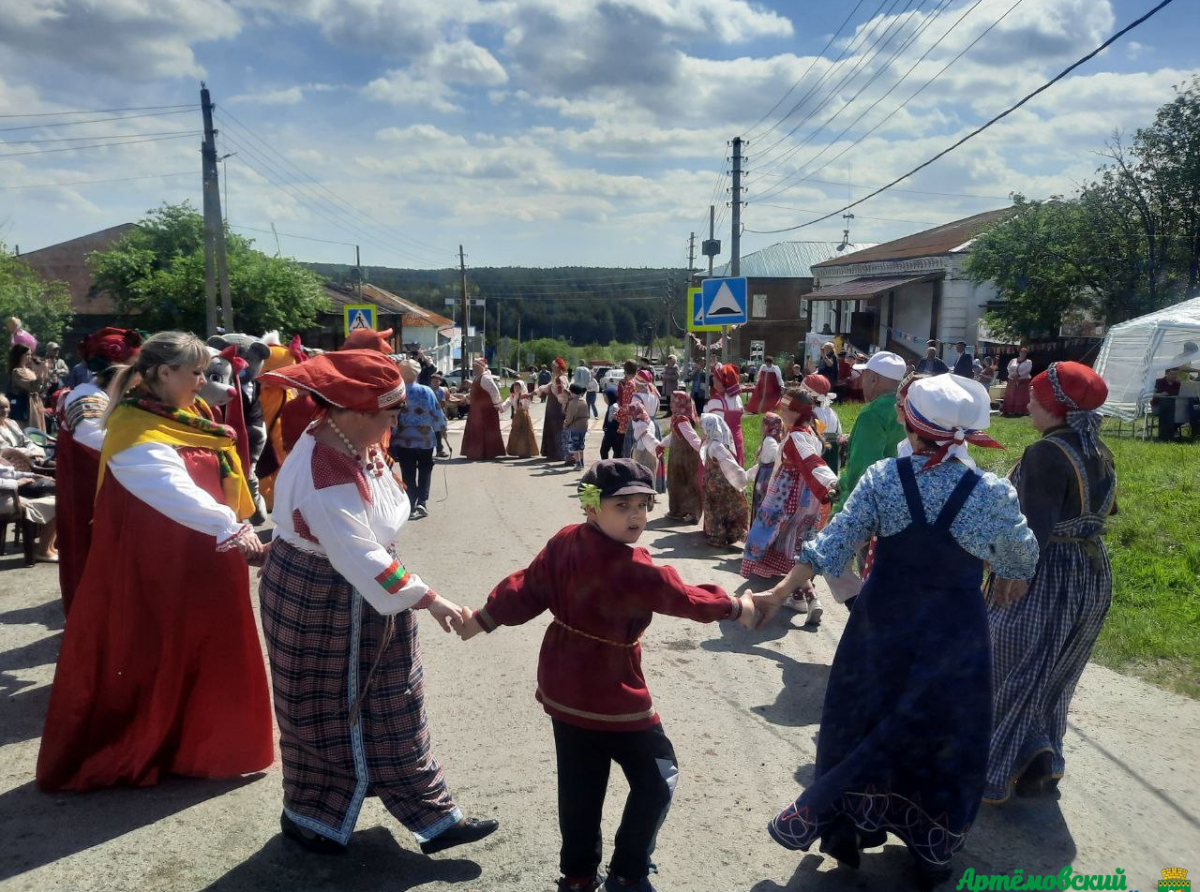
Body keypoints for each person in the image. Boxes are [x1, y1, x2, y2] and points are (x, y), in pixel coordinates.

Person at [751, 374, 1038, 889]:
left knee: (865, 716)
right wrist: (1009, 576)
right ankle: (932, 848)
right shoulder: (992, 492)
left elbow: (833, 543)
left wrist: (777, 594)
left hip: (883, 626)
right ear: (969, 432)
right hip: (955, 634)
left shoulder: (885, 478)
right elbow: (1021, 556)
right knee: (944, 732)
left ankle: (846, 821)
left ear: (910, 421)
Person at [456, 458, 756, 892]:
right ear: (591, 506)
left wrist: (483, 618)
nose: (636, 516)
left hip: (563, 684)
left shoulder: (564, 541)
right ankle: (628, 873)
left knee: (580, 785)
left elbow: (526, 588)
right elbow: (683, 597)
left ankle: (577, 878)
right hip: (612, 691)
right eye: (622, 506)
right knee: (658, 776)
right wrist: (735, 607)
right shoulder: (632, 565)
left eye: (643, 504)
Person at [256, 350, 497, 854]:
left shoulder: (346, 439)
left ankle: (431, 813)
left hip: (356, 590)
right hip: (317, 596)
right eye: (389, 413)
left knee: (393, 701)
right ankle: (310, 818)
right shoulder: (326, 465)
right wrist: (430, 599)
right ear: (356, 411)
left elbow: (368, 543)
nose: (396, 421)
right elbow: (358, 552)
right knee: (317, 709)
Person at [37, 331, 273, 791]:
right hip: (163, 560)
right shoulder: (133, 426)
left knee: (198, 647)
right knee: (160, 647)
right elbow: (168, 486)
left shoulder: (184, 414)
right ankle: (160, 746)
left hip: (200, 553)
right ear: (165, 372)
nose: (203, 382)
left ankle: (196, 744)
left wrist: (228, 526)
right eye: (196, 373)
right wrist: (232, 527)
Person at [986, 362, 1115, 803]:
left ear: (1055, 406)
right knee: (1055, 672)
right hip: (1091, 572)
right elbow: (1103, 512)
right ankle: (1041, 754)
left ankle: (995, 771)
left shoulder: (1045, 453)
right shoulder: (1097, 449)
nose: (1029, 405)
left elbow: (1034, 528)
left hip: (1048, 572)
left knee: (1009, 667)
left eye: (1036, 400)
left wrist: (1010, 576)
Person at [54, 327, 142, 614]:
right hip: (87, 497)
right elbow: (99, 442)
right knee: (92, 559)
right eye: (133, 368)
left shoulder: (105, 395)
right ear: (116, 369)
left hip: (99, 492)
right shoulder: (87, 398)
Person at [742, 386, 839, 625]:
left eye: (786, 408)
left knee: (786, 545)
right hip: (806, 499)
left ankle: (809, 597)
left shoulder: (796, 436)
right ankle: (803, 598)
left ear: (796, 412)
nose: (782, 412)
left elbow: (812, 461)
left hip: (790, 499)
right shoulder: (810, 430)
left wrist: (831, 482)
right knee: (796, 547)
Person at [391, 358, 447, 518]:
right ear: (417, 373)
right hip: (425, 439)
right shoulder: (427, 391)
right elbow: (437, 412)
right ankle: (422, 502)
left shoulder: (398, 391)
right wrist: (442, 430)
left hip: (403, 439)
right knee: (425, 470)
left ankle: (410, 501)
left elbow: (392, 416)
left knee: (407, 471)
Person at [698, 412, 750, 547]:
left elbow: (729, 463)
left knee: (718, 509)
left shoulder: (715, 446)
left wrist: (743, 476)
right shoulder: (714, 444)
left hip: (717, 485)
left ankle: (721, 536)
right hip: (717, 485)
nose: (702, 431)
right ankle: (725, 535)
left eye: (704, 428)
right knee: (721, 509)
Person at [0, 456, 57, 561]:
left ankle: (49, 547)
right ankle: (43, 551)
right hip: (5, 500)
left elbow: (11, 474)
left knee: (57, 502)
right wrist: (17, 483)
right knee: (56, 505)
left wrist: (33, 475)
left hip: (11, 497)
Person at [659, 390, 702, 523]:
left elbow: (693, 438)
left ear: (681, 403)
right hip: (679, 457)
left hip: (685, 458)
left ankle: (686, 512)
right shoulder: (678, 417)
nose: (671, 404)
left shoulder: (682, 420)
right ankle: (681, 511)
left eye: (673, 401)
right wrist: (662, 444)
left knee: (684, 483)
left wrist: (705, 451)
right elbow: (674, 435)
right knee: (679, 483)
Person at [462, 357, 505, 460]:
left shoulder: (485, 378)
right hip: (477, 410)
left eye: (476, 366)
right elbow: (476, 392)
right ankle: (477, 452)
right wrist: (466, 397)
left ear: (481, 367)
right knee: (477, 430)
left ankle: (486, 452)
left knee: (485, 430)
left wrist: (497, 405)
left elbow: (494, 391)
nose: (474, 368)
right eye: (474, 366)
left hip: (485, 411)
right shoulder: (478, 377)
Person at [704, 363, 746, 464]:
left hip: (722, 444)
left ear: (721, 382)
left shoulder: (716, 402)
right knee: (735, 471)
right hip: (737, 440)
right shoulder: (737, 398)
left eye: (715, 376)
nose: (713, 378)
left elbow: (711, 428)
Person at [804, 373, 843, 474]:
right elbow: (839, 435)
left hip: (817, 460)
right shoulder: (832, 412)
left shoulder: (812, 414)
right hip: (833, 462)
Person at [748, 412, 782, 521]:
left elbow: (774, 458)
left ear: (769, 427)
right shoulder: (774, 439)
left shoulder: (769, 441)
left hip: (765, 477)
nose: (761, 427)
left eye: (763, 425)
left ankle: (758, 530)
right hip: (766, 475)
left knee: (761, 503)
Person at [8, 343, 49, 431]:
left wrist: (44, 373)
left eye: (30, 354)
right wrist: (40, 374)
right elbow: (32, 387)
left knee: (39, 431)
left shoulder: (30, 370)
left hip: (36, 404)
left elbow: (41, 389)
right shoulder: (17, 372)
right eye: (27, 354)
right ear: (19, 355)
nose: (30, 357)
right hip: (26, 406)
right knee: (29, 431)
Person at [541, 357, 570, 462]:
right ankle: (556, 453)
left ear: (557, 367)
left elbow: (561, 395)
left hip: (556, 408)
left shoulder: (559, 379)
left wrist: (563, 408)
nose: (552, 368)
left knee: (556, 429)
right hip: (554, 407)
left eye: (553, 366)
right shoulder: (560, 377)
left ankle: (558, 454)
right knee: (555, 429)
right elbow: (548, 387)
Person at [503, 380, 539, 458]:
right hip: (517, 417)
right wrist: (502, 408)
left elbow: (526, 406)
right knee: (515, 433)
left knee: (525, 434)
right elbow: (507, 402)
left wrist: (523, 398)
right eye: (515, 386)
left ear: (522, 387)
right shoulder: (513, 396)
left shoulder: (525, 396)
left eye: (519, 387)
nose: (517, 388)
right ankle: (515, 451)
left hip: (524, 416)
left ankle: (526, 451)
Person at [626, 399, 659, 480]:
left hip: (643, 453)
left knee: (641, 478)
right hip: (650, 454)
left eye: (631, 414)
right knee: (650, 477)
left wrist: (658, 447)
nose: (630, 417)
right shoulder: (648, 420)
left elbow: (648, 439)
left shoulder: (640, 424)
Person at [562, 383, 590, 471]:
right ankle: (582, 463)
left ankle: (578, 464)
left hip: (575, 426)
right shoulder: (584, 401)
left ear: (572, 392)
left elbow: (570, 417)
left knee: (575, 446)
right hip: (584, 426)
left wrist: (565, 424)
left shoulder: (573, 402)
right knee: (581, 445)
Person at [614, 360, 638, 455]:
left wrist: (618, 414)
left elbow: (624, 403)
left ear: (625, 370)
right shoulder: (641, 381)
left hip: (629, 417)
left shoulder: (627, 383)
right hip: (642, 416)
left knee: (628, 445)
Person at [1001, 347, 1033, 416]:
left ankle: (1021, 411)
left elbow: (1027, 370)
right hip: (1012, 379)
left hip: (1023, 380)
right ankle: (1008, 410)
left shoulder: (1028, 362)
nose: (1023, 354)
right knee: (1010, 394)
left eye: (1024, 353)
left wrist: (1019, 375)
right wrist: (1012, 374)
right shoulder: (1013, 360)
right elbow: (1008, 368)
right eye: (1021, 352)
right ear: (1019, 353)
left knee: (1021, 396)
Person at [599, 387, 623, 460]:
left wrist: (606, 427)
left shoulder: (614, 407)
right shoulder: (614, 405)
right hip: (616, 433)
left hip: (612, 433)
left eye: (605, 397)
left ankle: (607, 465)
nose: (604, 400)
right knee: (617, 452)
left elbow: (611, 420)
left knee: (604, 451)